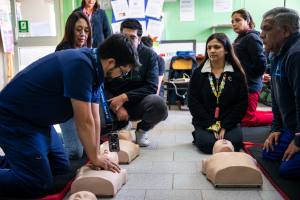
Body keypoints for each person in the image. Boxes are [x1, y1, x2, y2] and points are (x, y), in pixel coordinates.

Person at [0, 33, 141, 198]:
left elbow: (94, 116)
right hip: (14, 118)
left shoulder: (96, 69)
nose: (121, 76)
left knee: (60, 165)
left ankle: (19, 159)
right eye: (123, 72)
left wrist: (96, 154)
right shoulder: (80, 65)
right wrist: (94, 158)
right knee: (37, 183)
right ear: (111, 62)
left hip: (37, 121)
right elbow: (83, 121)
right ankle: (22, 164)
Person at [104, 19, 167, 147]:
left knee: (159, 104)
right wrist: (116, 105)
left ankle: (142, 131)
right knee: (113, 144)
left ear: (139, 39)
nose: (128, 41)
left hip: (139, 103)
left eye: (132, 38)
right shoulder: (109, 53)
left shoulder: (149, 55)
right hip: (113, 104)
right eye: (124, 37)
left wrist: (123, 98)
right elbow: (101, 86)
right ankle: (122, 125)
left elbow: (152, 87)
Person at [188, 33, 248, 154]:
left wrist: (225, 125)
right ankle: (199, 134)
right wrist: (211, 124)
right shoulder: (198, 73)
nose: (212, 51)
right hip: (205, 121)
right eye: (209, 48)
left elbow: (241, 104)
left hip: (229, 121)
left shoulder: (236, 74)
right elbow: (193, 103)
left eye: (216, 47)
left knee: (234, 144)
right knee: (208, 144)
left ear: (226, 50)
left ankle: (223, 131)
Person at [261, 7, 300, 180]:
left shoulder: (296, 54)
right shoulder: (275, 54)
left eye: (266, 29)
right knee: (269, 153)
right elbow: (276, 96)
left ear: (285, 30)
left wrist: (299, 141)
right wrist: (277, 128)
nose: (261, 35)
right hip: (291, 127)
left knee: (288, 171)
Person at [55, 12, 91, 160]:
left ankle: (48, 137)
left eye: (86, 30)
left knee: (83, 146)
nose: (83, 34)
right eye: (78, 29)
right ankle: (44, 140)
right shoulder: (64, 50)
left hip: (78, 105)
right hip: (65, 107)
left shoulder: (85, 51)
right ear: (70, 29)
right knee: (74, 152)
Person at [231, 9, 273, 127]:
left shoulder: (251, 37)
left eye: (237, 20)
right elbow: (246, 62)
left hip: (250, 85)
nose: (234, 23)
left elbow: (260, 60)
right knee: (242, 115)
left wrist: (259, 74)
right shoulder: (239, 38)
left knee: (247, 121)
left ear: (248, 20)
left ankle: (279, 118)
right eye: (232, 21)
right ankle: (277, 114)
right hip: (242, 85)